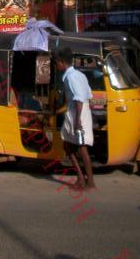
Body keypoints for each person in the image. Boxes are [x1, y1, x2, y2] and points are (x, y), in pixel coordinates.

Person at [54, 46, 96, 190]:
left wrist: (77, 122)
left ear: (61, 62)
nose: (56, 65)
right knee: (69, 145)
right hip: (78, 112)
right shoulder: (79, 75)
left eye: (56, 63)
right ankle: (82, 178)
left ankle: (89, 182)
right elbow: (87, 94)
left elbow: (79, 99)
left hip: (78, 113)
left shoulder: (71, 77)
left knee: (81, 149)